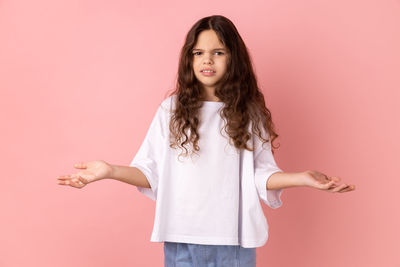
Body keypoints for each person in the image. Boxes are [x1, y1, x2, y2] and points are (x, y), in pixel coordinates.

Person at [57, 15, 356, 267]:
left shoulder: (249, 113)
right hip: (182, 239)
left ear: (233, 58)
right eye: (198, 53)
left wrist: (302, 178)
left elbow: (261, 174)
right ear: (189, 59)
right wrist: (109, 170)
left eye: (218, 52)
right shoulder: (171, 110)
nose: (207, 60)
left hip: (234, 243)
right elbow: (150, 173)